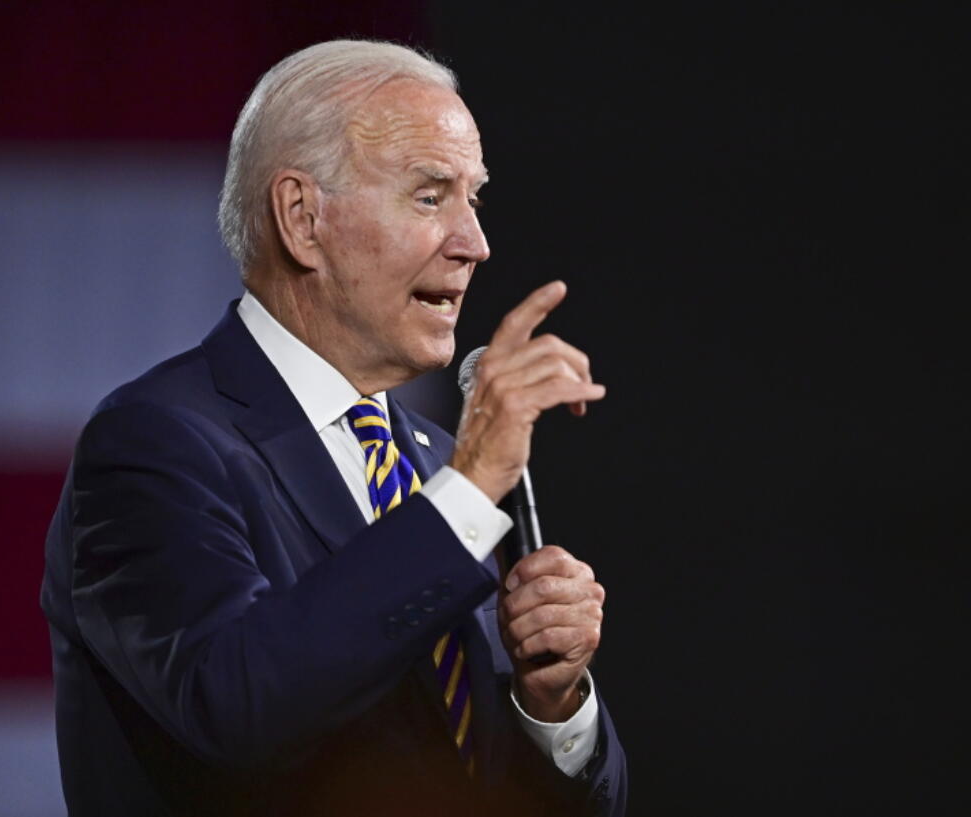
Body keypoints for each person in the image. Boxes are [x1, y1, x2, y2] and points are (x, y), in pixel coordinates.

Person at [40, 40, 626, 816]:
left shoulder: (443, 468)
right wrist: (471, 487)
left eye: (473, 199)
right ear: (301, 218)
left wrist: (550, 705)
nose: (475, 243)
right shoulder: (153, 445)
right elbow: (237, 702)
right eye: (430, 196)